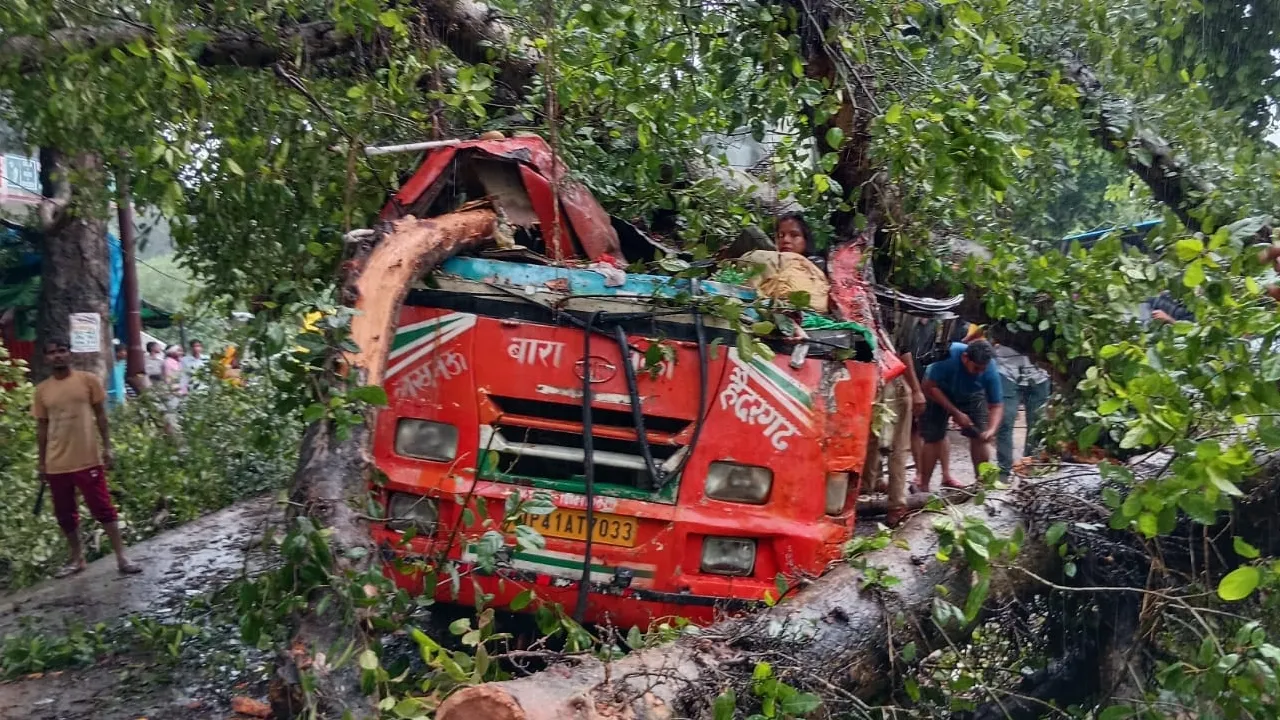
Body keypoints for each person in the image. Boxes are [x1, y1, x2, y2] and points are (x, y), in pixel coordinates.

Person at [32, 340, 141, 577]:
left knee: (103, 509)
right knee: (65, 514)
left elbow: (101, 416)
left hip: (88, 458)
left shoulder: (88, 380)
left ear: (70, 354)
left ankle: (122, 557)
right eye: (52, 353)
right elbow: (41, 428)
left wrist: (108, 448)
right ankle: (77, 559)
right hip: (56, 462)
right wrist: (41, 462)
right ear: (46, 359)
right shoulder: (42, 390)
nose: (58, 356)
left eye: (62, 351)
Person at [964, 325, 1050, 476]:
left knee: (1037, 423)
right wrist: (968, 339)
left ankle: (1031, 467)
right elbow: (984, 322)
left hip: (1040, 373)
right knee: (1005, 420)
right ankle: (1004, 471)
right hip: (1006, 369)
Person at [918, 340, 1004, 488]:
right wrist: (956, 413)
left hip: (971, 393)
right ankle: (924, 486)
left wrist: (991, 430)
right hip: (938, 390)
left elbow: (996, 405)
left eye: (983, 369)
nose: (980, 372)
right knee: (933, 437)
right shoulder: (947, 356)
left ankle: (981, 484)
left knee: (980, 436)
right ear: (965, 358)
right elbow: (927, 386)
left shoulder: (990, 371)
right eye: (976, 368)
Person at [863, 351, 927, 526]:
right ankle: (890, 499)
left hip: (876, 377)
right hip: (880, 377)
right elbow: (903, 351)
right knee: (891, 444)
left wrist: (915, 390)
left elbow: (902, 351)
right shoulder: (901, 324)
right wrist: (915, 389)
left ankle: (891, 499)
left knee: (883, 442)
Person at [106, 341, 128, 408]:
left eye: (125, 351)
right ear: (116, 353)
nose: (125, 353)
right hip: (110, 393)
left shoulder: (123, 363)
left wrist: (124, 392)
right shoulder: (109, 364)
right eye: (122, 351)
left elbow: (121, 379)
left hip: (120, 392)